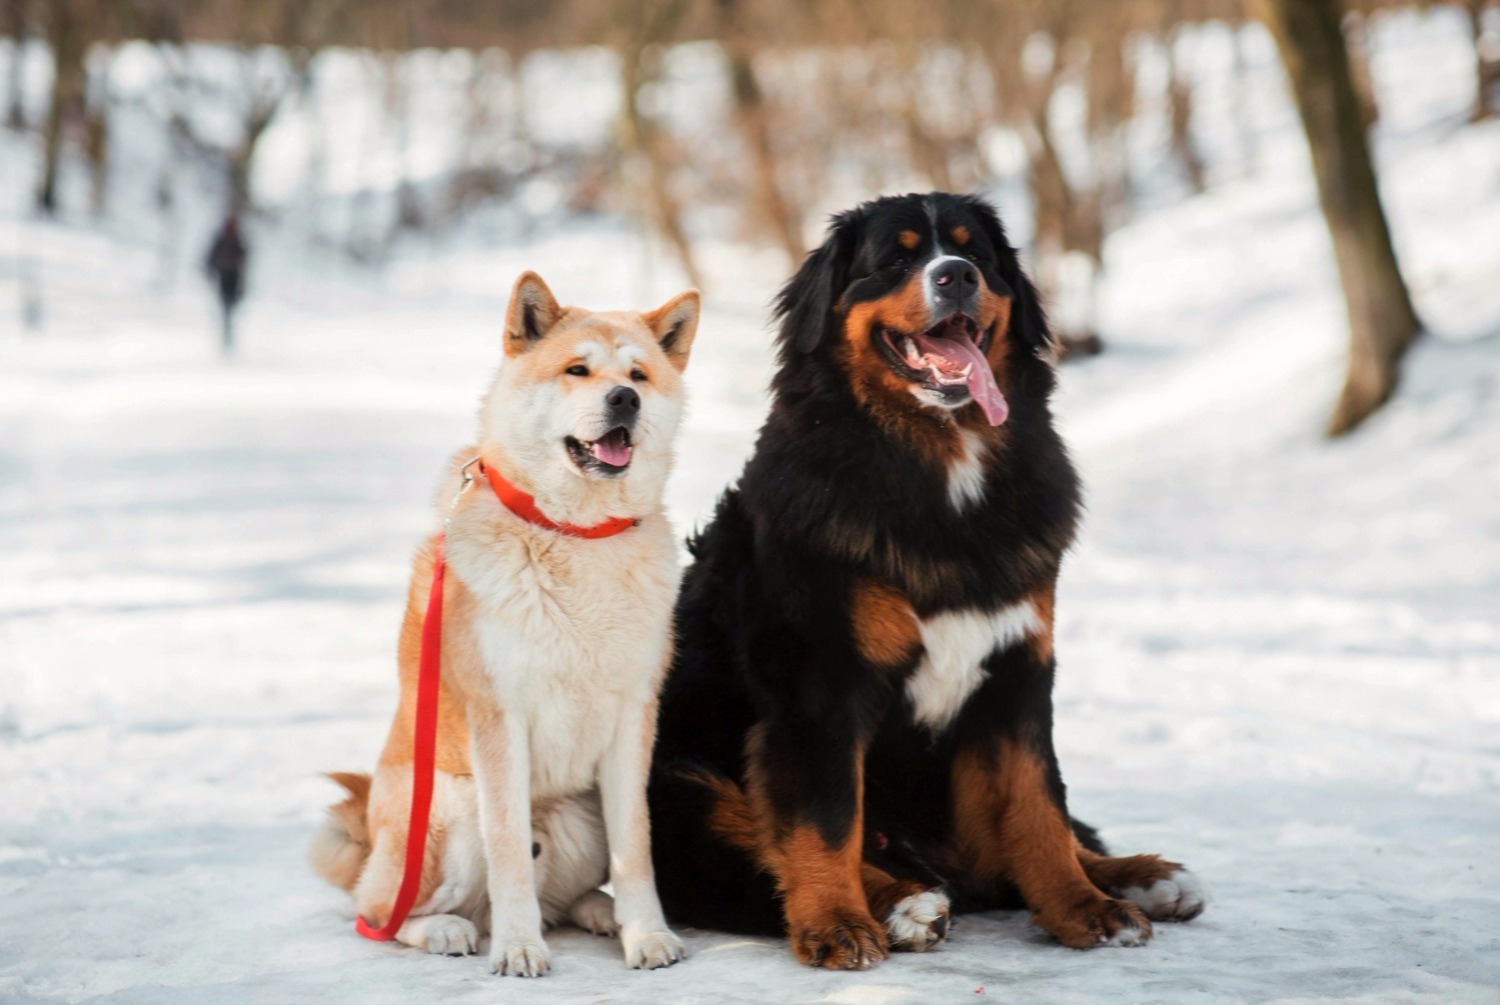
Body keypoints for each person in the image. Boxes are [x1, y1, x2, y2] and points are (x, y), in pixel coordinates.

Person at [205, 215, 247, 356]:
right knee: (226, 309)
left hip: (234, 278)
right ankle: (226, 338)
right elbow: (210, 259)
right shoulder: (222, 241)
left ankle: (228, 337)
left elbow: (244, 258)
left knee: (230, 309)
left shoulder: (237, 240)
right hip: (224, 277)